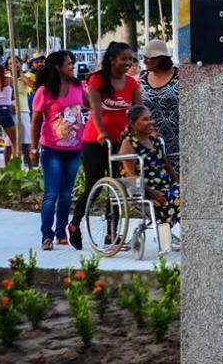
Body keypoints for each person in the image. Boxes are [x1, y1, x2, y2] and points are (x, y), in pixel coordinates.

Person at [68, 42, 141, 249]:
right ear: (112, 59)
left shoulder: (131, 84)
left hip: (122, 140)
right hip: (96, 140)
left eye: (130, 59)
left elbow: (138, 110)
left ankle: (112, 233)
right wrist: (101, 131)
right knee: (95, 185)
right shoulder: (97, 80)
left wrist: (142, 132)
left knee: (118, 187)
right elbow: (96, 110)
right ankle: (74, 225)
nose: (128, 63)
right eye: (124, 59)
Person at [31, 50, 87, 250]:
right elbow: (36, 121)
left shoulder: (78, 87)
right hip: (51, 149)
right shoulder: (44, 92)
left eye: (73, 63)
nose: (72, 66)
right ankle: (47, 235)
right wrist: (34, 148)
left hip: (74, 150)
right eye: (68, 63)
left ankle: (61, 232)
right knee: (51, 194)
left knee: (66, 195)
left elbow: (90, 106)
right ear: (57, 67)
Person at [118, 105, 180, 248]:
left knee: (183, 194)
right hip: (143, 188)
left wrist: (177, 182)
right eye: (145, 119)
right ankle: (165, 239)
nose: (151, 122)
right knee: (171, 197)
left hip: (163, 184)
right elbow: (130, 174)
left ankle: (171, 235)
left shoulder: (155, 141)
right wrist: (151, 192)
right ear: (133, 124)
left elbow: (167, 165)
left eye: (151, 118)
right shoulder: (129, 143)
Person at [139, 39, 180, 172]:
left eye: (149, 58)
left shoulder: (179, 76)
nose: (145, 61)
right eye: (144, 57)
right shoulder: (142, 77)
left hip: (177, 141)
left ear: (161, 58)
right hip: (150, 139)